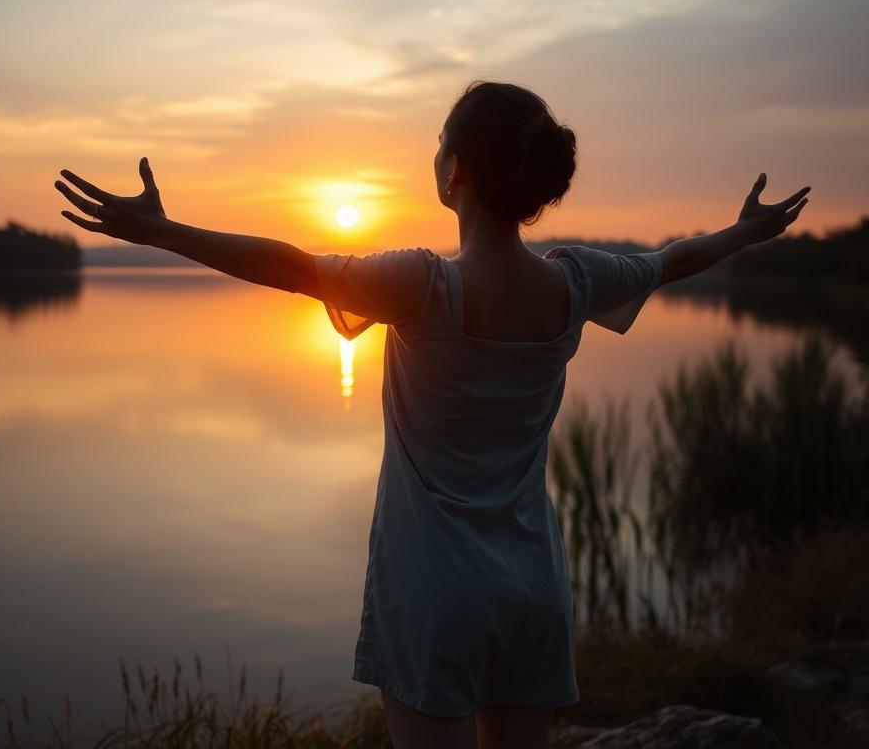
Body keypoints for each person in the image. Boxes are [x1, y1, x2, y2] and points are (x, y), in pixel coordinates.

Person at [54, 80, 810, 749]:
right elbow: (672, 260)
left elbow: (290, 268)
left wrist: (162, 231)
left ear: (457, 170)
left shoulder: (421, 285)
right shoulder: (575, 282)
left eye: (441, 143)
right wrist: (745, 233)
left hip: (433, 588)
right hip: (533, 589)